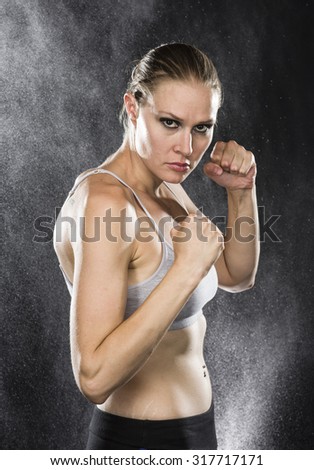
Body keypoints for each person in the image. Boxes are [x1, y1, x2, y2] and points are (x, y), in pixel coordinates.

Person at [53, 43, 259, 450]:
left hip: (197, 432)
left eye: (202, 127)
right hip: (140, 441)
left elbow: (237, 275)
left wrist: (241, 193)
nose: (187, 148)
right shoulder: (105, 201)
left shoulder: (166, 187)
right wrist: (184, 270)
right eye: (170, 122)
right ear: (132, 108)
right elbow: (93, 378)